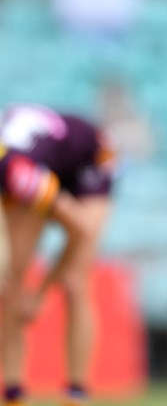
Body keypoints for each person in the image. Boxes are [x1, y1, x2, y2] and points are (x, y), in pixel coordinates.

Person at [0, 104, 114, 406]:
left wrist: (39, 294)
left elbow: (80, 230)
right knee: (10, 287)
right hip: (41, 163)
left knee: (75, 281)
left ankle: (76, 394)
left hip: (88, 161)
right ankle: (13, 393)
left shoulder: (18, 175)